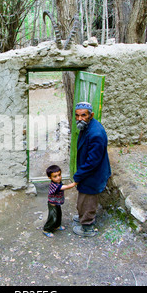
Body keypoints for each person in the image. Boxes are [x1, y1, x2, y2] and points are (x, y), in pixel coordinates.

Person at [72, 102, 111, 237]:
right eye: (77, 115)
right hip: (89, 171)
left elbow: (92, 162)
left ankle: (87, 226)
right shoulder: (87, 126)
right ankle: (82, 215)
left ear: (91, 115)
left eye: (83, 115)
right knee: (83, 197)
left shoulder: (96, 134)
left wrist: (78, 175)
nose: (79, 118)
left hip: (94, 173)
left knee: (88, 199)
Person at [43, 165, 76, 238]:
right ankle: (47, 229)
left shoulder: (58, 182)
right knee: (52, 217)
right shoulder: (54, 185)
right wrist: (75, 183)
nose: (58, 177)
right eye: (55, 176)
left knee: (58, 215)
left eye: (59, 175)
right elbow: (67, 187)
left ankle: (57, 226)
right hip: (52, 204)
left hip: (57, 203)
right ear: (50, 178)